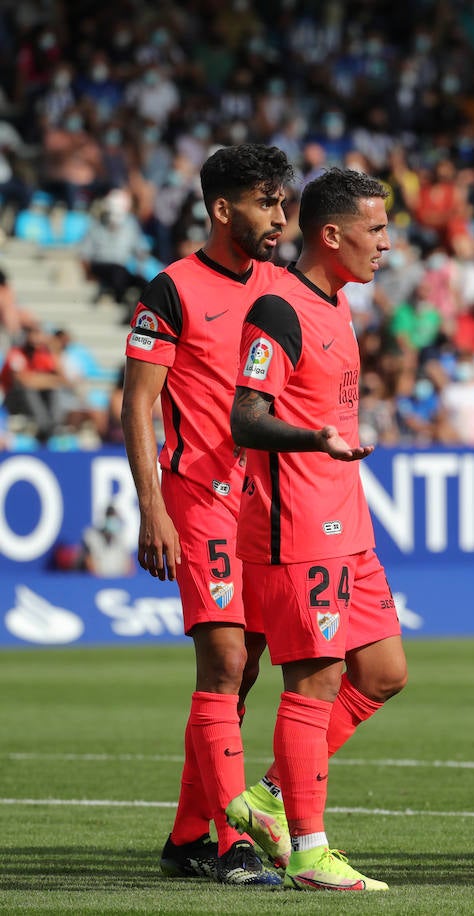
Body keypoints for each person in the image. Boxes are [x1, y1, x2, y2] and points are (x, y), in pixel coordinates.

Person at [227, 168, 408, 892]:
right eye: (375, 231)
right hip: (295, 521)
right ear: (331, 235)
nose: (386, 245)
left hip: (348, 520)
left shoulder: (337, 305)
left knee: (385, 672)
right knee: (318, 678)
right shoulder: (279, 308)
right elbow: (245, 416)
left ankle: (270, 794)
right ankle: (308, 849)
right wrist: (313, 440)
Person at [122, 143, 292, 888]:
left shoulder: (285, 289)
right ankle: (234, 844)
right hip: (198, 499)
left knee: (246, 669)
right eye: (265, 202)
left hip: (269, 506)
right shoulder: (171, 290)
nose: (280, 217)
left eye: (283, 203)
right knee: (223, 662)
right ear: (223, 209)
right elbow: (137, 403)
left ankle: (189, 835)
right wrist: (150, 507)